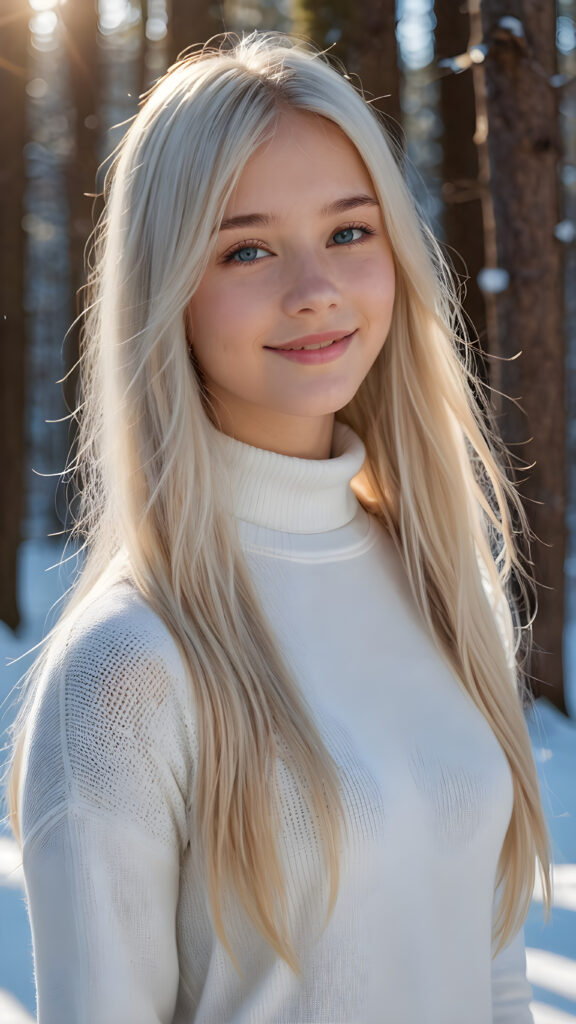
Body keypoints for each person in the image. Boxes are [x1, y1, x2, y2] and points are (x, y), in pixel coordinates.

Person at [3, 29, 551, 1024]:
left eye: (350, 231)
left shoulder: (439, 588)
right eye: (246, 248)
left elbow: (493, 977)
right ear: (167, 288)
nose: (316, 291)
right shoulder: (128, 668)